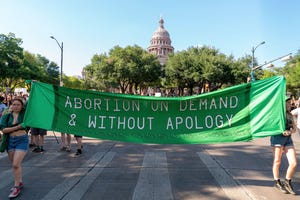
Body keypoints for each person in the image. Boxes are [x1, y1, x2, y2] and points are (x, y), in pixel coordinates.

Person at [0, 98, 28, 198]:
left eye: (18, 105)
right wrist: (18, 127)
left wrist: (33, 85)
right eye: (14, 104)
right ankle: (19, 182)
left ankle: (16, 187)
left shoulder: (25, 114)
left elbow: (31, 103)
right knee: (16, 165)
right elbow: (3, 130)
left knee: (16, 164)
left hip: (22, 140)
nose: (16, 106)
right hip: (10, 141)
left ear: (22, 106)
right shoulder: (6, 114)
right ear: (11, 105)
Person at [271, 97, 297, 195]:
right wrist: (281, 131)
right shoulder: (276, 114)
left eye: (290, 103)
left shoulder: (290, 114)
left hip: (288, 140)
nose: (290, 105)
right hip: (277, 139)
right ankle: (277, 181)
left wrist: (290, 131)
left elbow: (294, 128)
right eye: (288, 103)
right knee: (277, 161)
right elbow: (271, 127)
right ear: (283, 104)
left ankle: (287, 181)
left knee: (293, 163)